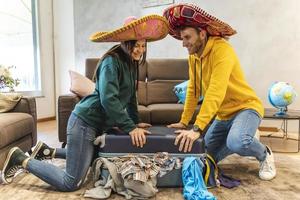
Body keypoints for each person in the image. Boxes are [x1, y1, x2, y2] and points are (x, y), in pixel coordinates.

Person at [1, 14, 169, 191]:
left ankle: (47, 151)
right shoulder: (112, 62)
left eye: (143, 46)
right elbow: (108, 99)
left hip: (97, 124)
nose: (140, 50)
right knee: (71, 182)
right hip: (84, 122)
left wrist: (134, 123)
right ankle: (21, 159)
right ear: (126, 42)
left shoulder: (131, 63)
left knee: (103, 156)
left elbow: (131, 98)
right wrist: (130, 128)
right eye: (136, 45)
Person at [164, 4, 276, 181]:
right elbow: (193, 90)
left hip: (245, 108)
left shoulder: (222, 50)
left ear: (202, 34)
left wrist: (197, 128)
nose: (184, 43)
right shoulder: (194, 56)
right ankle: (242, 135)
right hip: (223, 115)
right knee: (205, 156)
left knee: (237, 142)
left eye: (187, 37)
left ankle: (264, 153)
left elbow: (216, 91)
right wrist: (184, 122)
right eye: (181, 38)